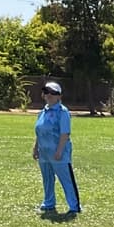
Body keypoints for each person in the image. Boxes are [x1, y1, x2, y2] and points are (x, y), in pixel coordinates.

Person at [32, 81, 81, 215]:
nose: (48, 95)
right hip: (44, 153)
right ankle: (48, 203)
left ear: (59, 96)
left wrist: (59, 151)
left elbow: (65, 133)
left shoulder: (62, 112)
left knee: (66, 179)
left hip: (58, 152)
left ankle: (74, 206)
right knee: (47, 179)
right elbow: (40, 131)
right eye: (46, 92)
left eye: (52, 93)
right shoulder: (42, 112)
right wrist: (35, 148)